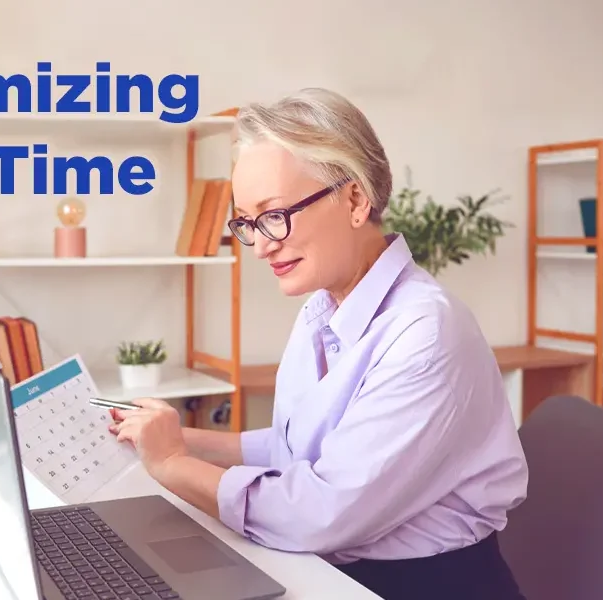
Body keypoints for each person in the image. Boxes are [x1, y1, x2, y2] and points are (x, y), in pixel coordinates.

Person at [108, 88, 529, 600]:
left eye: (274, 214)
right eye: (246, 223)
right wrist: (176, 437)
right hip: (331, 574)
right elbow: (298, 447)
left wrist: (173, 464)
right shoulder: (321, 309)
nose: (261, 244)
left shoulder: (425, 332)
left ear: (354, 199)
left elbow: (318, 513)